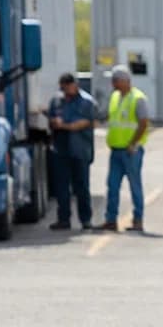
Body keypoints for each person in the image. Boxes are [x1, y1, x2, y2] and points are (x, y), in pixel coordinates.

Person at [96, 64, 150, 233]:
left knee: (135, 186)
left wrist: (133, 143)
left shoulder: (138, 98)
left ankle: (138, 219)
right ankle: (111, 220)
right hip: (116, 150)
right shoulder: (115, 97)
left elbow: (143, 123)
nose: (113, 84)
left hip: (131, 151)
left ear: (125, 81)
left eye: (115, 80)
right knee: (112, 186)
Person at [43, 73, 97, 231]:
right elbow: (52, 119)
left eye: (68, 87)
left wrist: (64, 125)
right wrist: (54, 122)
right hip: (61, 149)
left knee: (81, 187)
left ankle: (85, 220)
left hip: (80, 150)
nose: (65, 91)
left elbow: (84, 123)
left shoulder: (86, 102)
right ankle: (63, 219)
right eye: (63, 88)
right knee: (61, 187)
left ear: (75, 85)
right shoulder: (56, 101)